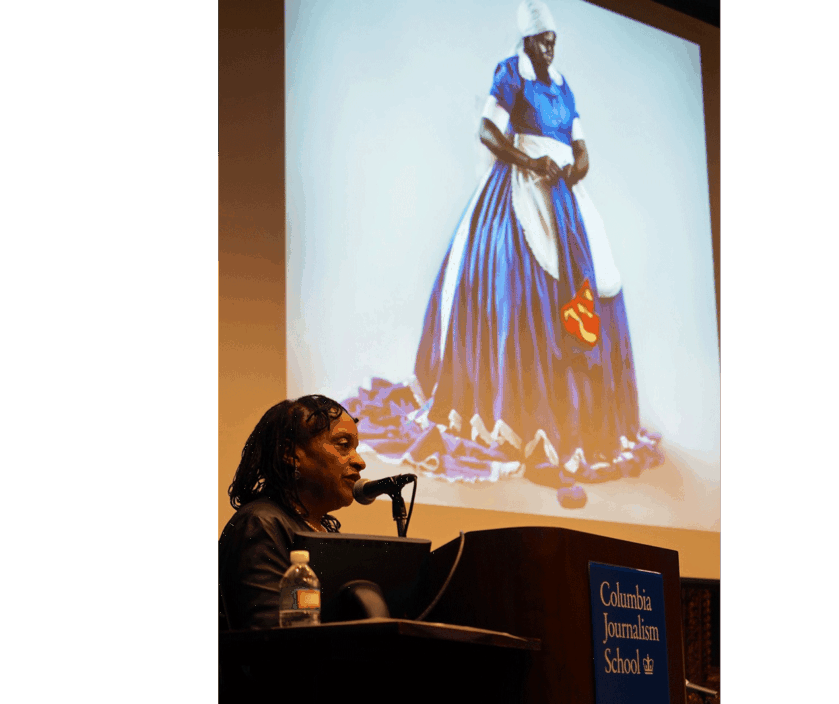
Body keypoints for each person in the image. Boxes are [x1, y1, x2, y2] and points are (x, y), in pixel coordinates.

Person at [346, 0, 663, 506]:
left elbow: (582, 148)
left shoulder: (562, 87)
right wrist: (529, 160)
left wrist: (572, 172)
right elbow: (488, 131)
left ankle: (577, 417)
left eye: (553, 40)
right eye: (542, 40)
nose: (549, 47)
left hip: (565, 203)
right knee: (515, 288)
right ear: (527, 42)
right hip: (518, 191)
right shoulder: (509, 75)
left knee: (593, 282)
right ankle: (518, 410)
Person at [219, 395, 366, 630]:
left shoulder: (321, 530)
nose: (360, 461)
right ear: (290, 452)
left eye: (356, 448)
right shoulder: (261, 524)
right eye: (343, 444)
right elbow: (270, 639)